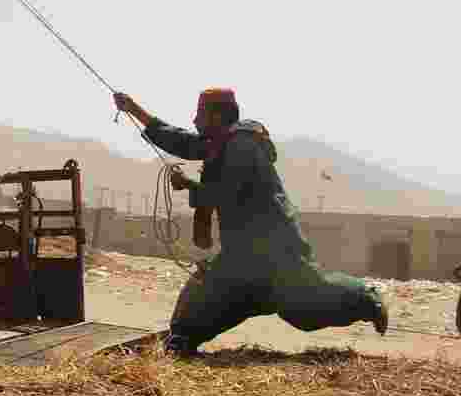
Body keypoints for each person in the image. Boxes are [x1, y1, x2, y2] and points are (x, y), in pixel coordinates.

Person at [113, 88, 389, 356]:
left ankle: (366, 297)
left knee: (307, 311)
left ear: (218, 117)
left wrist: (188, 185)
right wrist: (135, 110)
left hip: (277, 252)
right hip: (243, 255)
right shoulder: (220, 143)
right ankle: (181, 339)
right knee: (209, 293)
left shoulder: (242, 146)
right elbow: (182, 141)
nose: (194, 121)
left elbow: (229, 192)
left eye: (200, 114)